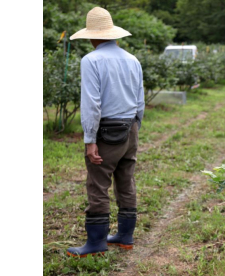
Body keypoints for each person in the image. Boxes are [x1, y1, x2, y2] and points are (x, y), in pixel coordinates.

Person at [66, 7, 145, 257]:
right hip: (130, 127)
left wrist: (90, 140)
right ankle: (125, 236)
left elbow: (92, 103)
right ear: (113, 35)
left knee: (98, 184)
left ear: (92, 36)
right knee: (126, 180)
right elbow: (140, 100)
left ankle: (96, 242)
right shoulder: (132, 60)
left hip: (107, 130)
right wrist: (135, 128)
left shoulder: (91, 60)